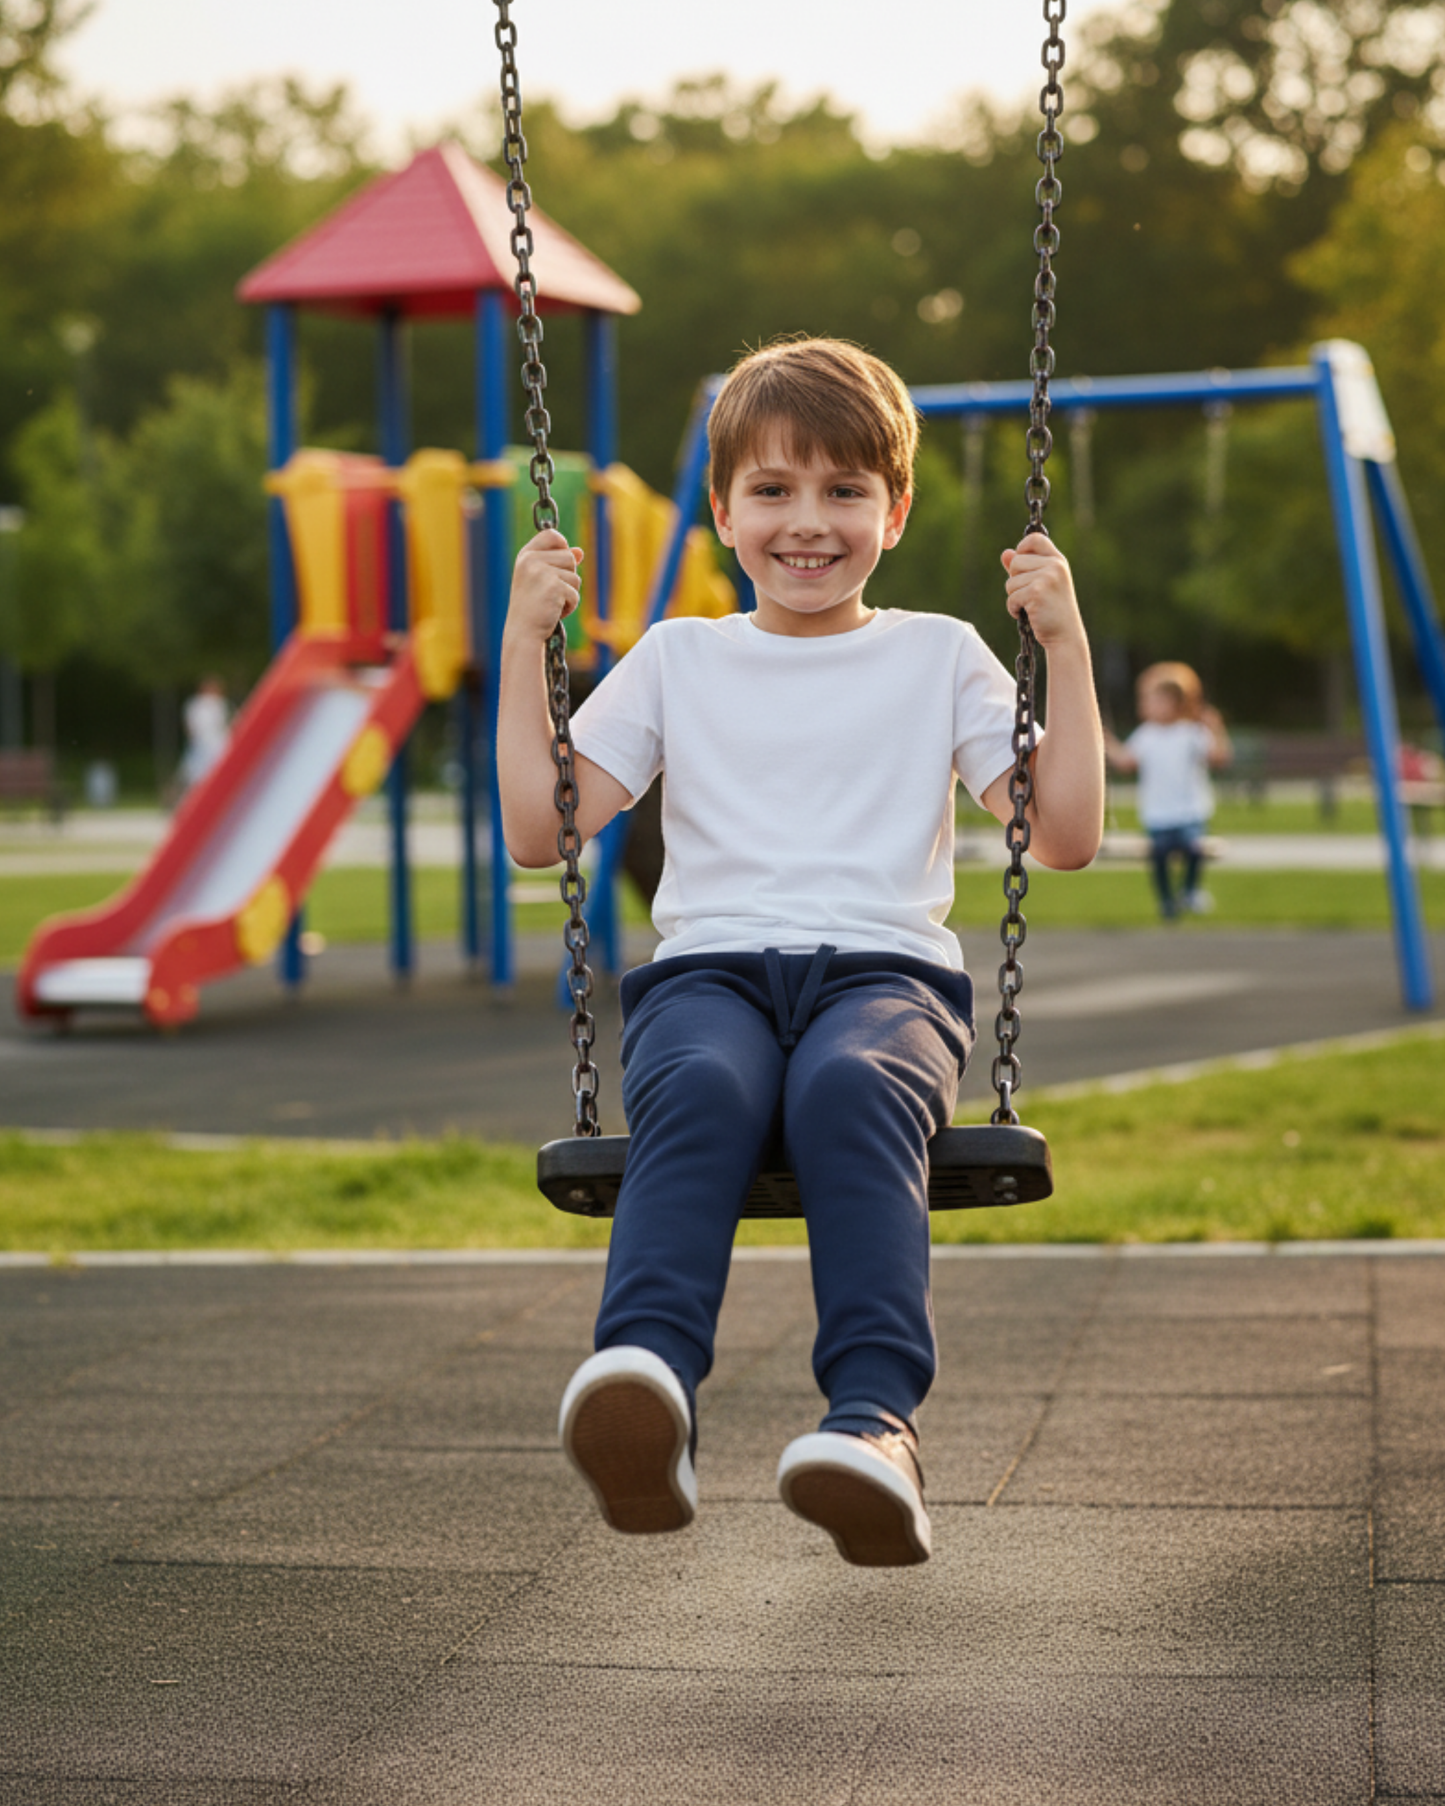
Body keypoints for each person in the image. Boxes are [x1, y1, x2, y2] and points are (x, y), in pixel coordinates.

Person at [497, 338, 1104, 1567]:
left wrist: (1068, 641)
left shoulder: (939, 654)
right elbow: (538, 828)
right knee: (703, 1089)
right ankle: (645, 1391)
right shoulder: (680, 656)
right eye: (770, 491)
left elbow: (1068, 832)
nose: (806, 523)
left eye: (842, 491)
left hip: (883, 981)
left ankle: (875, 1428)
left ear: (896, 510)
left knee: (849, 1088)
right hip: (709, 976)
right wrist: (525, 642)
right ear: (721, 510)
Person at [1105, 662, 1232, 920]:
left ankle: (1189, 890)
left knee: (1193, 847)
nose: (1146, 706)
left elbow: (1219, 759)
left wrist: (1217, 730)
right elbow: (1126, 763)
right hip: (1158, 811)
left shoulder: (1192, 733)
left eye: (1153, 700)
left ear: (1176, 702)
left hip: (1190, 810)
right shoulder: (1146, 735)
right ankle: (1166, 901)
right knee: (1159, 854)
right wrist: (1104, 741)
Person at [179, 676, 231, 791]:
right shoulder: (196, 703)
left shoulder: (220, 703)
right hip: (202, 742)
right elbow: (191, 724)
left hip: (218, 741)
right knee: (195, 771)